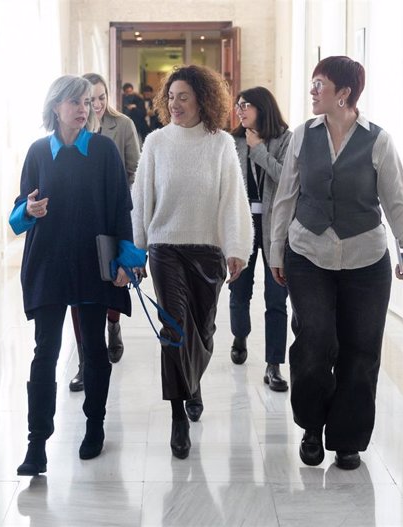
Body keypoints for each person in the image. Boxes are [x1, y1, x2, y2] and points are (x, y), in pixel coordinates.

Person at [269, 56, 403, 471]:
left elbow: (397, 200)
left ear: (344, 94)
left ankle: (348, 439)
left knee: (360, 351)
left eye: (320, 84)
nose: (312, 90)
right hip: (309, 254)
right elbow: (286, 196)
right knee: (314, 342)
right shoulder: (303, 135)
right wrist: (275, 250)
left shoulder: (378, 141)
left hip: (366, 260)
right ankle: (312, 426)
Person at [9, 75, 136, 474]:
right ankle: (36, 443)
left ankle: (94, 426)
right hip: (47, 264)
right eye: (74, 102)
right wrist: (28, 211)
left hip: (91, 265)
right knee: (44, 352)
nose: (84, 108)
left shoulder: (102, 151)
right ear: (55, 107)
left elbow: (121, 210)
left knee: (94, 349)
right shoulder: (36, 153)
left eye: (87, 101)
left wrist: (126, 263)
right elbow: (17, 214)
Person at [131, 64, 253, 459]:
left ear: (202, 99)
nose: (175, 103)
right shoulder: (156, 143)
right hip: (165, 248)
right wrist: (137, 250)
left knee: (202, 331)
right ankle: (177, 416)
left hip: (208, 251)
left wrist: (237, 247)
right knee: (173, 329)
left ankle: (193, 382)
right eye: (171, 97)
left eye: (184, 96)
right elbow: (141, 201)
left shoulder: (219, 145)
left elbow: (233, 198)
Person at [64, 73, 142, 394]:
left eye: (98, 98)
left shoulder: (122, 125)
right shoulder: (70, 135)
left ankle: (114, 325)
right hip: (77, 229)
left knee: (109, 286)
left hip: (112, 217)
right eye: (87, 99)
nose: (94, 105)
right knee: (78, 299)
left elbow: (134, 168)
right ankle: (84, 362)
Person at [228, 86, 292, 392]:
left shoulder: (286, 139)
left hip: (275, 227)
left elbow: (288, 178)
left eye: (246, 105)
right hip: (243, 224)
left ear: (262, 108)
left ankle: (273, 365)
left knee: (276, 297)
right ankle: (240, 336)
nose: (240, 111)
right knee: (240, 289)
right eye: (238, 106)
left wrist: (260, 151)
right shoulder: (232, 141)